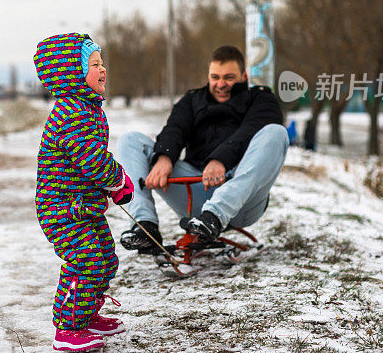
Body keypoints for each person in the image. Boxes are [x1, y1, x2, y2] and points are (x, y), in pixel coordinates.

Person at [116, 45, 289, 253]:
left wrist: (220, 160)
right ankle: (145, 227)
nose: (221, 84)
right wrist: (164, 157)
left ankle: (215, 216)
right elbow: (175, 128)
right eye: (215, 77)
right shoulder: (192, 100)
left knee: (276, 132)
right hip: (197, 192)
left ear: (244, 76)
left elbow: (250, 129)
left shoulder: (261, 99)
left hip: (243, 197)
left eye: (229, 77)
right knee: (130, 140)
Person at [34, 33, 134, 352]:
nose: (102, 69)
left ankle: (86, 315)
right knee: (86, 258)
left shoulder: (86, 106)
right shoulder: (72, 112)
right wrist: (117, 180)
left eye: (101, 62)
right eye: (93, 63)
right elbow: (91, 160)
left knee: (104, 256)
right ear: (72, 73)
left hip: (82, 205)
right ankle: (67, 329)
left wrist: (111, 183)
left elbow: (92, 158)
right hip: (60, 208)